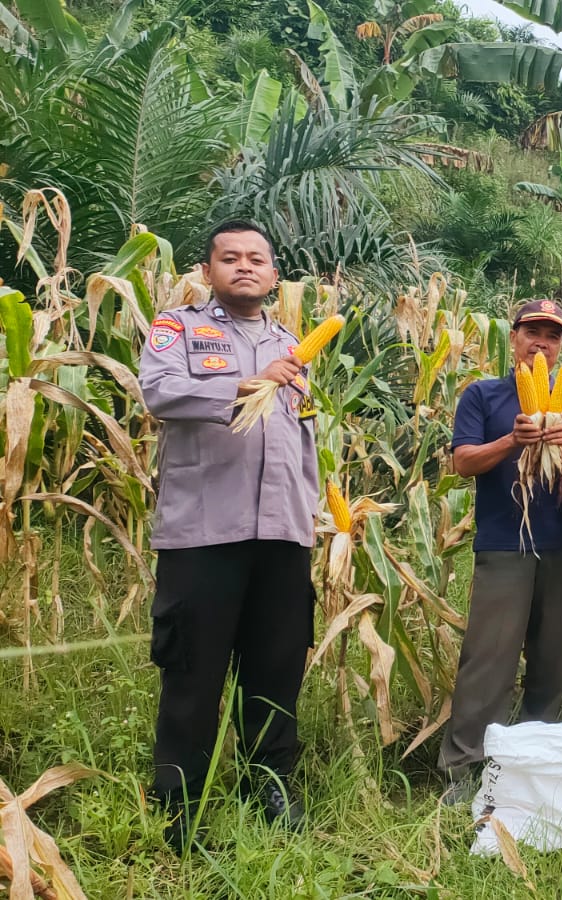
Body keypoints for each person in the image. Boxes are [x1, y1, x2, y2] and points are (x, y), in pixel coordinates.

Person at [140, 221, 319, 849]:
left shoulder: (292, 343)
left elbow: (302, 435)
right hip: (204, 532)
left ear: (274, 274)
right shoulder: (179, 328)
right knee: (193, 670)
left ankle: (269, 784)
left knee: (276, 667)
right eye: (230, 257)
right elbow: (159, 393)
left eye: (257, 259)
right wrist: (244, 383)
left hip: (282, 533)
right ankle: (179, 803)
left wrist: (307, 513)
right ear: (207, 270)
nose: (245, 266)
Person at [437, 299, 562, 804]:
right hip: (505, 544)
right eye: (533, 332)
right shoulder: (483, 395)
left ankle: (535, 763)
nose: (542, 344)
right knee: (489, 660)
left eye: (553, 336)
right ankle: (464, 767)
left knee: (552, 661)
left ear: (560, 346)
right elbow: (464, 461)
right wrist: (512, 439)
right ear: (513, 338)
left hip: (560, 546)